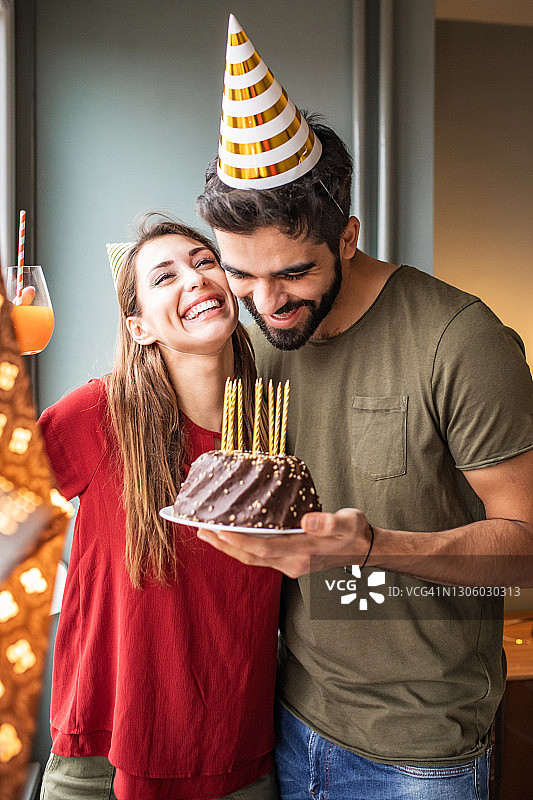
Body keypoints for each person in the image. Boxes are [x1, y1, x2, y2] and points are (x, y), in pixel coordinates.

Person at [193, 15, 533, 800]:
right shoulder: (253, 339)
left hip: (420, 749)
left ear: (346, 237)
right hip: (285, 713)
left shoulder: (459, 339)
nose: (266, 303)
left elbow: (523, 543)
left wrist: (371, 546)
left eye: (291, 274)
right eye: (241, 275)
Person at [38, 216, 280, 800]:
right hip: (100, 759)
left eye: (204, 262)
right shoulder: (99, 415)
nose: (195, 279)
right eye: (164, 275)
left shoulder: (274, 423)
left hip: (238, 759)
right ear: (139, 327)